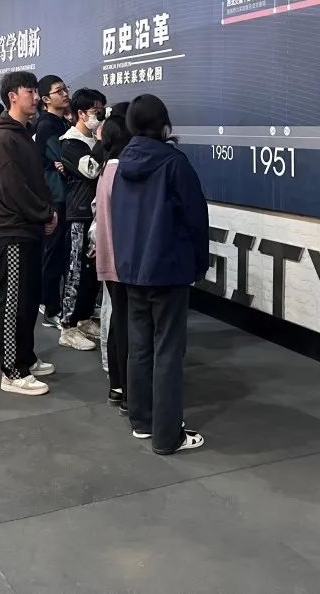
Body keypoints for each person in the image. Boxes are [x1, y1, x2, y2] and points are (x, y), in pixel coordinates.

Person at [113, 94, 208, 455]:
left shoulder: (122, 163)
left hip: (132, 269)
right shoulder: (173, 163)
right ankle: (168, 436)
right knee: (167, 349)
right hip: (167, 269)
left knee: (139, 345)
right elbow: (196, 218)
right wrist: (199, 263)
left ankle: (142, 421)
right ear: (163, 123)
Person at [0, 71, 58, 396]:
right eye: (30, 91)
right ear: (12, 96)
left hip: (28, 228)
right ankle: (12, 370)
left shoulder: (23, 134)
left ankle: (25, 357)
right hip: (13, 230)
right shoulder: (4, 137)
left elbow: (35, 182)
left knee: (28, 299)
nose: (36, 96)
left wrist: (46, 212)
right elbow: (12, 188)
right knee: (14, 301)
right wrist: (44, 213)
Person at [55, 88, 106, 351]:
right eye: (96, 111)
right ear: (81, 113)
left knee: (92, 271)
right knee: (75, 271)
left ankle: (84, 318)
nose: (100, 116)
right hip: (79, 214)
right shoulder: (70, 142)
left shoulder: (92, 141)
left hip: (96, 213)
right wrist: (103, 141)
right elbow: (91, 170)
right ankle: (67, 327)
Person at [92, 105, 131, 411]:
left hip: (108, 258)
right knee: (126, 325)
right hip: (124, 261)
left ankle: (116, 385)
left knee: (117, 319)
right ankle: (127, 388)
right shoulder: (121, 171)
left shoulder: (106, 168)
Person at [34, 75, 72, 327]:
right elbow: (65, 157)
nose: (65, 94)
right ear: (46, 99)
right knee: (53, 254)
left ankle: (58, 303)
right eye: (59, 91)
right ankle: (49, 306)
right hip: (55, 197)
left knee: (62, 254)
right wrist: (66, 162)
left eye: (65, 89)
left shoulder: (61, 122)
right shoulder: (47, 125)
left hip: (64, 195)